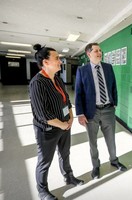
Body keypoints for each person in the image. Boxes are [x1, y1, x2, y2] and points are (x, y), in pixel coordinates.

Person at [29, 44, 84, 200]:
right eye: (57, 58)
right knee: (44, 161)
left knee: (65, 154)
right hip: (47, 130)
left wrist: (71, 117)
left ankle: (68, 176)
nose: (60, 61)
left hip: (65, 126)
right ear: (45, 62)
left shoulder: (58, 80)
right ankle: (42, 190)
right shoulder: (37, 83)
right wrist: (62, 124)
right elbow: (42, 114)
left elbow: (66, 100)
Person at [75, 42, 127, 180]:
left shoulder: (108, 67)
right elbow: (78, 93)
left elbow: (114, 86)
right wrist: (80, 113)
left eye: (100, 50)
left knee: (111, 139)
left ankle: (114, 160)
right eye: (96, 51)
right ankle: (96, 166)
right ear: (89, 54)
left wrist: (114, 103)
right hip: (91, 112)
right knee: (93, 142)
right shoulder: (82, 70)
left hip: (108, 110)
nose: (99, 53)